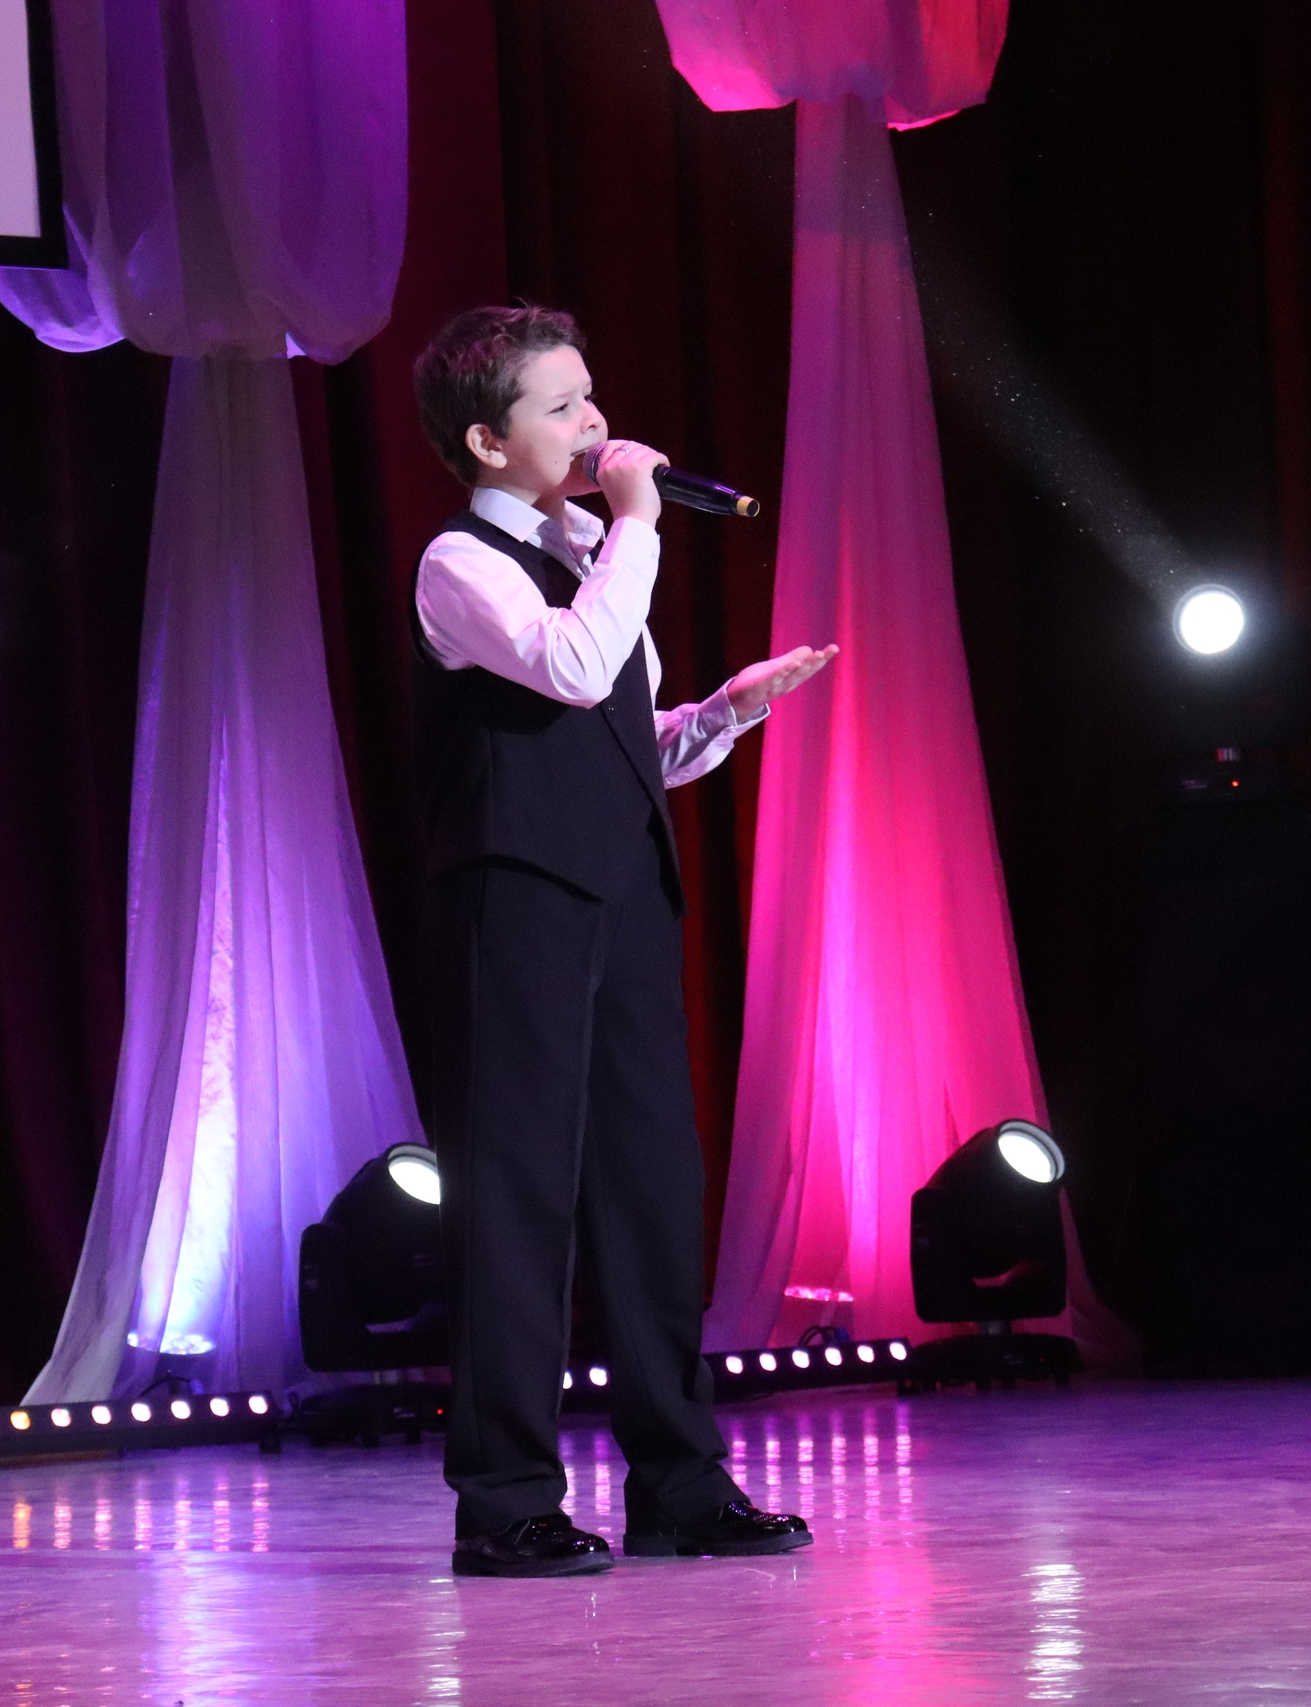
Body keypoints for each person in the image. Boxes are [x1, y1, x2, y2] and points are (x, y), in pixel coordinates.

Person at [409, 305, 838, 1578]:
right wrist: (642, 521)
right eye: (561, 407)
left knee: (650, 1187)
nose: (596, 424)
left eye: (590, 396)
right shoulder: (461, 563)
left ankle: (680, 1484)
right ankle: (505, 1503)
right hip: (516, 900)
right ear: (488, 442)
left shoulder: (592, 550)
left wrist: (720, 715)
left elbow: (618, 732)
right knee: (518, 1197)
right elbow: (573, 668)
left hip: (623, 891)